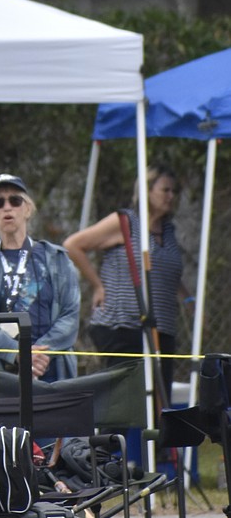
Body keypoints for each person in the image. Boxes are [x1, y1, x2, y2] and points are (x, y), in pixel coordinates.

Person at [63, 164, 189, 396]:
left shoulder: (169, 230)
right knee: (123, 399)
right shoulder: (125, 222)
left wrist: (189, 300)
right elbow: (73, 245)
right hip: (122, 324)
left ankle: (156, 434)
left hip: (161, 328)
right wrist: (97, 285)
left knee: (161, 402)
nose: (171, 196)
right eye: (165, 190)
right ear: (148, 190)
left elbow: (167, 273)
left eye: (175, 191)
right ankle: (111, 434)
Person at [0, 174, 80, 382]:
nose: (7, 207)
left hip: (51, 370)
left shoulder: (57, 258)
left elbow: (70, 316)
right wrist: (18, 353)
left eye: (15, 200)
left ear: (27, 209)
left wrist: (38, 355)